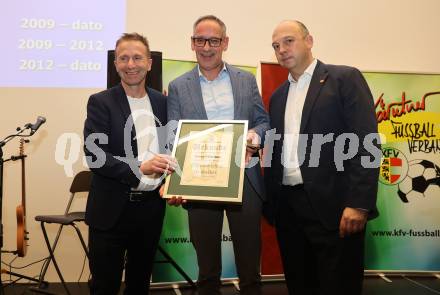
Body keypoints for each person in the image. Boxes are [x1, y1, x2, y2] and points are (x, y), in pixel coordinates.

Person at [264, 20, 380, 295]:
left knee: (339, 285)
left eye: (289, 41)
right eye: (276, 45)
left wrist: (359, 204)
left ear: (309, 40)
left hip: (336, 209)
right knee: (300, 284)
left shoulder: (345, 79)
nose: (282, 49)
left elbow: (367, 144)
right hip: (289, 210)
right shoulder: (278, 96)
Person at [167, 15, 269, 295]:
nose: (207, 47)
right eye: (200, 40)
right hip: (199, 183)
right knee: (207, 271)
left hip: (244, 178)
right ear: (192, 43)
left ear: (225, 43)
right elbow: (174, 136)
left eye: (214, 40)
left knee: (250, 269)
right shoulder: (177, 86)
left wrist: (254, 137)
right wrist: (175, 181)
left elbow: (263, 121)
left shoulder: (245, 80)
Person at [83, 33, 175, 295]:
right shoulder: (100, 102)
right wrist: (138, 167)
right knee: (105, 285)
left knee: (139, 284)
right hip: (110, 211)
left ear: (149, 63)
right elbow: (95, 156)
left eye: (137, 57)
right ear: (115, 64)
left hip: (150, 210)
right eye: (123, 58)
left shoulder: (163, 102)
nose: (130, 64)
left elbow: (172, 147)